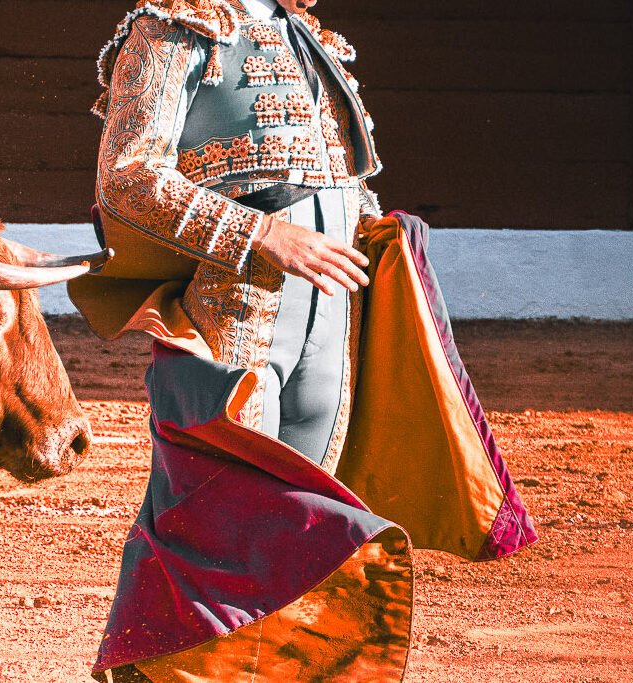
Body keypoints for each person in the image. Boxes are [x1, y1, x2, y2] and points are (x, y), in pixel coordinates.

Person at [68, 1, 537, 680]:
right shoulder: (174, 22)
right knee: (219, 531)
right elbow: (128, 178)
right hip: (232, 316)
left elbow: (338, 178)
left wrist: (373, 230)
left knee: (307, 540)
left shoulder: (301, 30)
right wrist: (264, 233)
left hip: (331, 319)